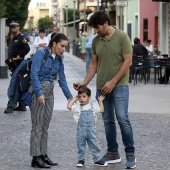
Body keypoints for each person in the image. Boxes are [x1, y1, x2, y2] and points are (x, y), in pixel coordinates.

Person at [74, 11, 136, 169]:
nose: (95, 31)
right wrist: (85, 82)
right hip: (102, 87)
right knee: (108, 121)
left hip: (120, 85)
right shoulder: (96, 40)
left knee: (122, 118)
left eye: (97, 27)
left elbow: (127, 62)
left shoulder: (122, 37)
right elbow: (93, 64)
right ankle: (113, 153)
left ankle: (130, 154)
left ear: (106, 24)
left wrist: (113, 82)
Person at [30, 33, 73, 168]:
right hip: (38, 93)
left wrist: (69, 97)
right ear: (54, 44)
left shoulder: (59, 59)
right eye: (62, 46)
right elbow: (34, 74)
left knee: (45, 126)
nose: (63, 49)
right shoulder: (41, 54)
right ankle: (35, 158)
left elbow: (62, 79)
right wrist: (39, 93)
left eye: (65, 47)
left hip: (50, 93)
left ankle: (43, 154)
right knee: (37, 126)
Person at [67, 86, 108, 167]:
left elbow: (101, 110)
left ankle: (96, 159)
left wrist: (100, 101)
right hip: (81, 131)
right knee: (80, 145)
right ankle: (81, 160)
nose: (81, 99)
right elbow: (69, 107)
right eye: (80, 97)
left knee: (94, 144)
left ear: (89, 97)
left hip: (91, 130)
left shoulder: (92, 107)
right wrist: (74, 99)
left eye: (84, 96)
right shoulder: (78, 107)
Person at [4, 21, 30, 114]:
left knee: (14, 84)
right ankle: (22, 105)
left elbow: (27, 48)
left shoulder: (21, 38)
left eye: (14, 27)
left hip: (19, 65)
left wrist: (18, 56)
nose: (12, 29)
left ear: (18, 27)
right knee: (19, 85)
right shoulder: (12, 38)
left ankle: (11, 105)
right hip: (13, 65)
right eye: (11, 27)